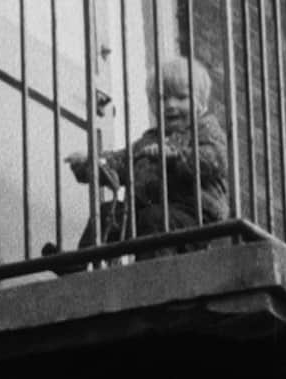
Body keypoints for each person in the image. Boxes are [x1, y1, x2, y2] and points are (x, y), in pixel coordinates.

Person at [63, 56, 228, 259]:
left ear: (200, 102)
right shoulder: (149, 140)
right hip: (146, 211)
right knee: (106, 215)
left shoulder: (206, 128)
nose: (170, 105)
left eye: (181, 97)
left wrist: (175, 157)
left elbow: (214, 160)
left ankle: (153, 274)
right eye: (161, 98)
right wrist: (92, 163)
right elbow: (121, 161)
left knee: (156, 220)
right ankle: (76, 264)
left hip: (193, 213)